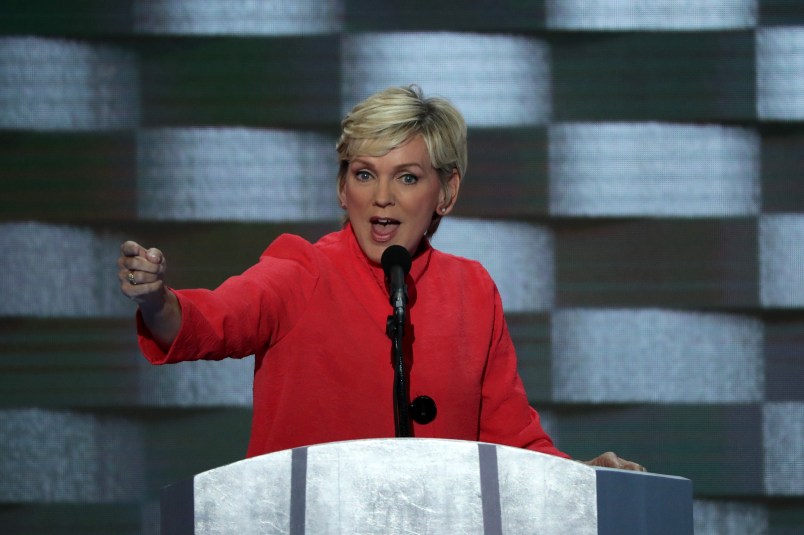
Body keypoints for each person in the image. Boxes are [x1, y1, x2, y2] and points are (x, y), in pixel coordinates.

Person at [118, 85, 644, 471]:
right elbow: (214, 320)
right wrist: (157, 300)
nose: (382, 196)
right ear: (342, 188)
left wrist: (580, 477)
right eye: (364, 173)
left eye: (407, 177)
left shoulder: (472, 290)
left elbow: (509, 436)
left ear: (447, 192)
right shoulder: (302, 269)